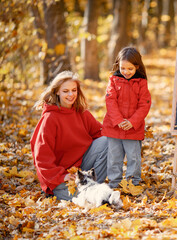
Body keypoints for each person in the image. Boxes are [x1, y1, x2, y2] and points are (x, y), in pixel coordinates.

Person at [30, 71, 108, 201]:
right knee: (89, 200)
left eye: (74, 90)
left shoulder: (81, 112)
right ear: (57, 92)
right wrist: (62, 176)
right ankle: (85, 194)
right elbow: (42, 158)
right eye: (65, 91)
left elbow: (101, 132)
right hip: (60, 178)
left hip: (81, 170)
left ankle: (94, 186)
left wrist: (125, 132)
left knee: (107, 141)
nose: (71, 95)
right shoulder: (50, 118)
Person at [102, 47, 151, 188]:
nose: (126, 72)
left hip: (133, 128)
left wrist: (132, 122)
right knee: (114, 157)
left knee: (133, 158)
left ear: (137, 66)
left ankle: (132, 183)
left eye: (130, 69)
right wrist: (118, 121)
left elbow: (144, 105)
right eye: (123, 68)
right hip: (114, 127)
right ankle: (114, 183)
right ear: (118, 65)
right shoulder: (113, 80)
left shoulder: (141, 83)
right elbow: (110, 101)